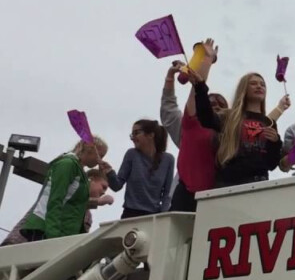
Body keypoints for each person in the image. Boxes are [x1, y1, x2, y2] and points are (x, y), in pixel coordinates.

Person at [166, 39, 230, 212]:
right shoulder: (192, 123)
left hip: (216, 195)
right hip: (185, 195)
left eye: (221, 103)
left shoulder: (229, 133)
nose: (215, 103)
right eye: (210, 101)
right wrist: (207, 60)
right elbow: (197, 88)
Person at [193, 71, 283, 187]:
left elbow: (272, 164)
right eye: (253, 83)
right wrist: (200, 87)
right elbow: (205, 118)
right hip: (229, 183)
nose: (259, 86)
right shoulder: (230, 116)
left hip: (258, 184)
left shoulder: (269, 123)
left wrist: (275, 143)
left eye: (262, 84)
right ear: (244, 89)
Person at [21, 138, 109, 241]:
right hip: (47, 229)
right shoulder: (67, 164)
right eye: (101, 155)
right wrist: (53, 235)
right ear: (90, 149)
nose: (100, 160)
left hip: (63, 232)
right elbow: (55, 199)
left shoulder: (80, 172)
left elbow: (75, 203)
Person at [1, 169, 113, 246]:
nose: (103, 192)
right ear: (91, 179)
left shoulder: (87, 216)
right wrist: (98, 201)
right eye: (103, 187)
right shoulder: (69, 188)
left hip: (43, 253)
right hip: (21, 244)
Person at [104, 119, 175, 218]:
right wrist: (109, 172)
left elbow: (167, 193)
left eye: (136, 133)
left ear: (151, 135)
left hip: (154, 216)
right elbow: (117, 186)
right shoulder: (131, 154)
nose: (132, 138)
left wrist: (162, 217)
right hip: (130, 214)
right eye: (132, 135)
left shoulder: (168, 160)